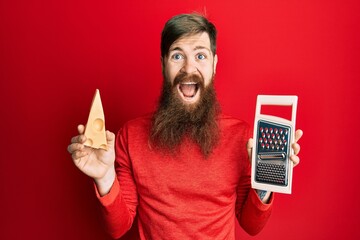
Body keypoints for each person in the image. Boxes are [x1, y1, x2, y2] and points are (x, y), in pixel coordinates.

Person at [67, 13, 303, 239]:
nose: (189, 69)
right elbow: (117, 228)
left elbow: (251, 225)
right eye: (177, 56)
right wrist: (105, 177)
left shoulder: (242, 136)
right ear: (163, 64)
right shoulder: (130, 136)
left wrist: (267, 179)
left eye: (200, 56)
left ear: (214, 64)